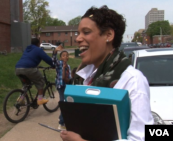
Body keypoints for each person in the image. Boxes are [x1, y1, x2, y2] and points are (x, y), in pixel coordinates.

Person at [60, 5, 153, 141]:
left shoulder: (132, 80)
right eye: (78, 33)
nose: (78, 39)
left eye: (86, 32)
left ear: (108, 35)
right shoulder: (82, 77)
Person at [15, 38, 54, 105]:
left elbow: (28, 58)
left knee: (26, 84)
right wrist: (53, 65)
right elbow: (47, 59)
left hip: (18, 68)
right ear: (38, 44)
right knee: (41, 81)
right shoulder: (38, 50)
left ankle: (21, 98)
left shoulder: (27, 49)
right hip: (28, 68)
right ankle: (40, 99)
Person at [52, 45, 72, 130]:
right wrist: (55, 51)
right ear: (60, 57)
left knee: (65, 102)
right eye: (63, 55)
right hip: (60, 86)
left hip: (66, 86)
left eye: (67, 55)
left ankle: (61, 118)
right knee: (63, 103)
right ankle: (61, 123)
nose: (65, 57)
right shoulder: (59, 63)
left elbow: (69, 77)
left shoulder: (68, 66)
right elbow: (53, 60)